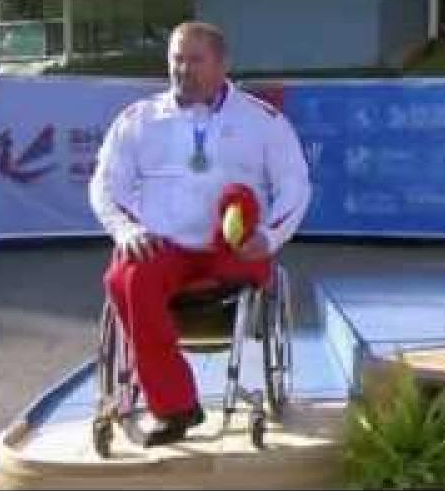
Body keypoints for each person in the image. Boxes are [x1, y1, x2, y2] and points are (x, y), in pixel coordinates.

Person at [89, 22, 310, 446]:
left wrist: (268, 237)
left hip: (231, 250)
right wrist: (126, 229)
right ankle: (176, 406)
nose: (182, 69)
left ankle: (169, 392)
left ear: (222, 64)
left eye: (194, 60)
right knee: (125, 274)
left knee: (244, 227)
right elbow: (105, 185)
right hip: (163, 247)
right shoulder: (138, 119)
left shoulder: (263, 121)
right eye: (176, 58)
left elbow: (294, 186)